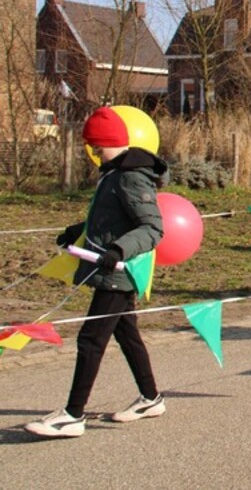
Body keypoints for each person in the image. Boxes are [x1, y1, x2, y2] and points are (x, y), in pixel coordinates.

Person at [25, 107, 168, 439]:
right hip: (111, 269)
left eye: (96, 146)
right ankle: (151, 398)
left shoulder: (130, 177)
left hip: (117, 271)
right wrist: (77, 231)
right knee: (127, 334)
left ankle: (73, 415)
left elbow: (152, 228)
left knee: (90, 340)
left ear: (108, 142)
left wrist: (117, 250)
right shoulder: (113, 173)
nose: (93, 152)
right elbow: (108, 218)